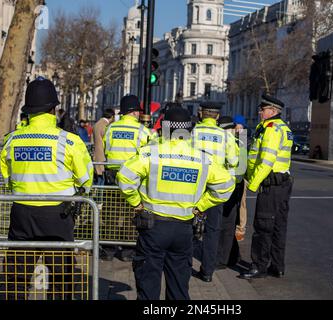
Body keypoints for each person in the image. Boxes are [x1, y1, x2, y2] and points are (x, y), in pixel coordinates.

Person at [117, 106, 235, 300]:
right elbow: (226, 186)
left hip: (153, 226)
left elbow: (125, 177)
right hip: (184, 229)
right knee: (179, 288)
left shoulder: (151, 153)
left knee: (148, 286)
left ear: (164, 128)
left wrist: (136, 203)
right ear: (189, 131)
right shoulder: (203, 158)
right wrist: (201, 206)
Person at [0, 77, 94, 299]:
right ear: (54, 108)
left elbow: (7, 176)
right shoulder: (69, 141)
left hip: (21, 212)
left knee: (17, 275)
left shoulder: (12, 140)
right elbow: (86, 179)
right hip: (57, 215)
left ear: (29, 109)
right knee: (61, 276)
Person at [239, 94, 293, 280]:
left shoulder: (271, 129)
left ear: (272, 111)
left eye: (262, 109)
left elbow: (266, 160)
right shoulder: (283, 128)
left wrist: (253, 183)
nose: (260, 112)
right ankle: (277, 266)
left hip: (270, 184)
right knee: (278, 226)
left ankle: (259, 266)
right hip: (282, 184)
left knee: (263, 226)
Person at [191, 102, 239, 282]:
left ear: (202, 114)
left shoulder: (192, 133)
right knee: (213, 229)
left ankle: (184, 264)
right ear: (217, 116)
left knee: (188, 225)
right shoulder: (225, 136)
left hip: (194, 185)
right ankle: (207, 271)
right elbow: (234, 161)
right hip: (215, 186)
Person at [102, 95, 153, 261]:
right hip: (133, 178)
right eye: (138, 111)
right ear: (134, 112)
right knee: (132, 212)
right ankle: (127, 250)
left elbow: (104, 149)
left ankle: (108, 249)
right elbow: (150, 154)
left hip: (112, 176)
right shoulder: (142, 131)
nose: (139, 114)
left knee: (110, 214)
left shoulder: (111, 128)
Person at [216, 116, 245, 269]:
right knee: (228, 224)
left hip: (229, 187)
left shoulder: (233, 142)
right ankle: (233, 256)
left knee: (226, 225)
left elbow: (239, 169)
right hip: (233, 186)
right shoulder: (238, 141)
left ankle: (223, 259)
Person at [233, 114, 249, 242]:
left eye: (240, 127)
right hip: (230, 174)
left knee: (242, 203)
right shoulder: (229, 137)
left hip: (241, 175)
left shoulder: (244, 139)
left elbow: (243, 160)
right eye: (236, 127)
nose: (238, 130)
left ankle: (240, 229)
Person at [93, 109, 115, 186]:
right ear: (112, 116)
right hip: (103, 156)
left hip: (96, 155)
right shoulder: (106, 125)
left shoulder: (97, 124)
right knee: (102, 182)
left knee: (99, 181)